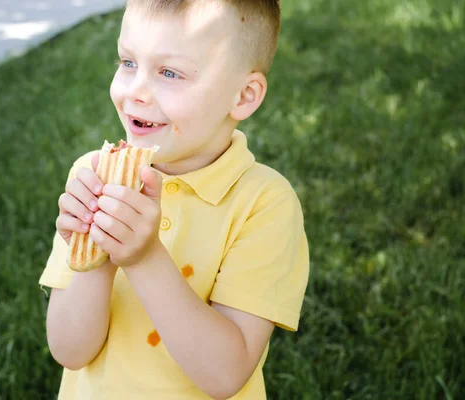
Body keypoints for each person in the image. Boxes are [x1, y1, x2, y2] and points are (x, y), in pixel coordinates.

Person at [39, 0, 309, 398]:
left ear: (244, 95)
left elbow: (225, 375)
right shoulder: (93, 172)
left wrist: (145, 258)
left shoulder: (263, 204)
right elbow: (69, 350)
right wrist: (95, 254)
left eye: (169, 72)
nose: (135, 91)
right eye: (127, 62)